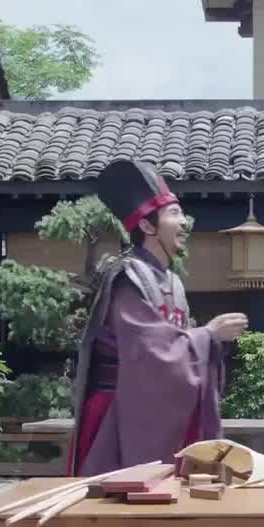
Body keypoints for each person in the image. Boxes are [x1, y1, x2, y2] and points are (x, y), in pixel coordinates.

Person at [69, 159, 248, 480]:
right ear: (148, 226)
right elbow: (149, 353)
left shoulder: (173, 282)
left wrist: (208, 340)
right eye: (174, 214)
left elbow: (174, 348)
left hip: (153, 409)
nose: (184, 222)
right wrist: (208, 335)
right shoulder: (129, 278)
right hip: (116, 416)